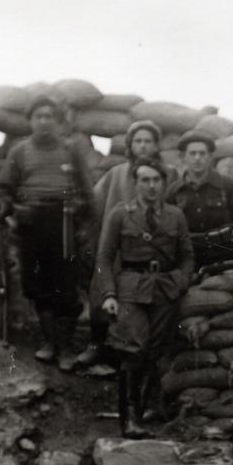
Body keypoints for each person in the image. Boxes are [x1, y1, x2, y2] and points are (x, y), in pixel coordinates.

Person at [93, 155, 193, 437]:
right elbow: (104, 257)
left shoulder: (175, 215)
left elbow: (187, 256)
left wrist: (182, 281)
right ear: (135, 183)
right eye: (145, 180)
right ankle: (129, 420)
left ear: (164, 184)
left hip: (165, 289)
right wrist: (109, 294)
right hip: (130, 290)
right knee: (133, 348)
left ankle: (147, 412)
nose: (151, 186)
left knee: (155, 351)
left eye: (156, 180)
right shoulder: (120, 214)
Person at [0, 95, 97, 365]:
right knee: (37, 284)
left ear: (57, 121)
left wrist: (83, 220)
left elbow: (88, 192)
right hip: (32, 223)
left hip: (64, 221)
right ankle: (50, 342)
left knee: (66, 284)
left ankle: (65, 347)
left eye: (49, 116)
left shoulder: (70, 150)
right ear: (30, 120)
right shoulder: (19, 151)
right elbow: (6, 187)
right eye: (38, 116)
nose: (43, 121)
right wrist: (8, 210)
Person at [84, 118, 169, 374]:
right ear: (130, 146)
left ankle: (137, 359)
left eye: (148, 141)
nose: (143, 146)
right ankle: (99, 346)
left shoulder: (167, 174)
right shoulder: (117, 173)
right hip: (119, 246)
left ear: (156, 146)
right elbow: (95, 206)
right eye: (138, 141)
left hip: (152, 250)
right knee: (103, 291)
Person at [167, 131, 233, 269]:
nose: (197, 158)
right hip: (192, 261)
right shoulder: (174, 191)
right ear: (183, 157)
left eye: (202, 153)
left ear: (210, 157)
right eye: (192, 154)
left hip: (228, 258)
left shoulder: (228, 185)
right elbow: (168, 231)